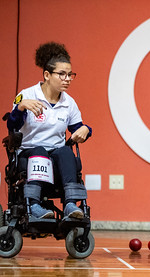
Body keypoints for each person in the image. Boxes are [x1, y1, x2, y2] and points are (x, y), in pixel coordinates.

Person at [7, 42, 92, 220]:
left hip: (56, 154)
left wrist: (86, 129)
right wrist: (21, 108)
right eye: (62, 74)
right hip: (30, 152)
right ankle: (35, 205)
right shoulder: (27, 95)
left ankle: (70, 205)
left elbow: (78, 129)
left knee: (65, 152)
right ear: (47, 75)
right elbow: (12, 126)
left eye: (70, 75)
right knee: (39, 151)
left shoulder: (69, 103)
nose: (67, 78)